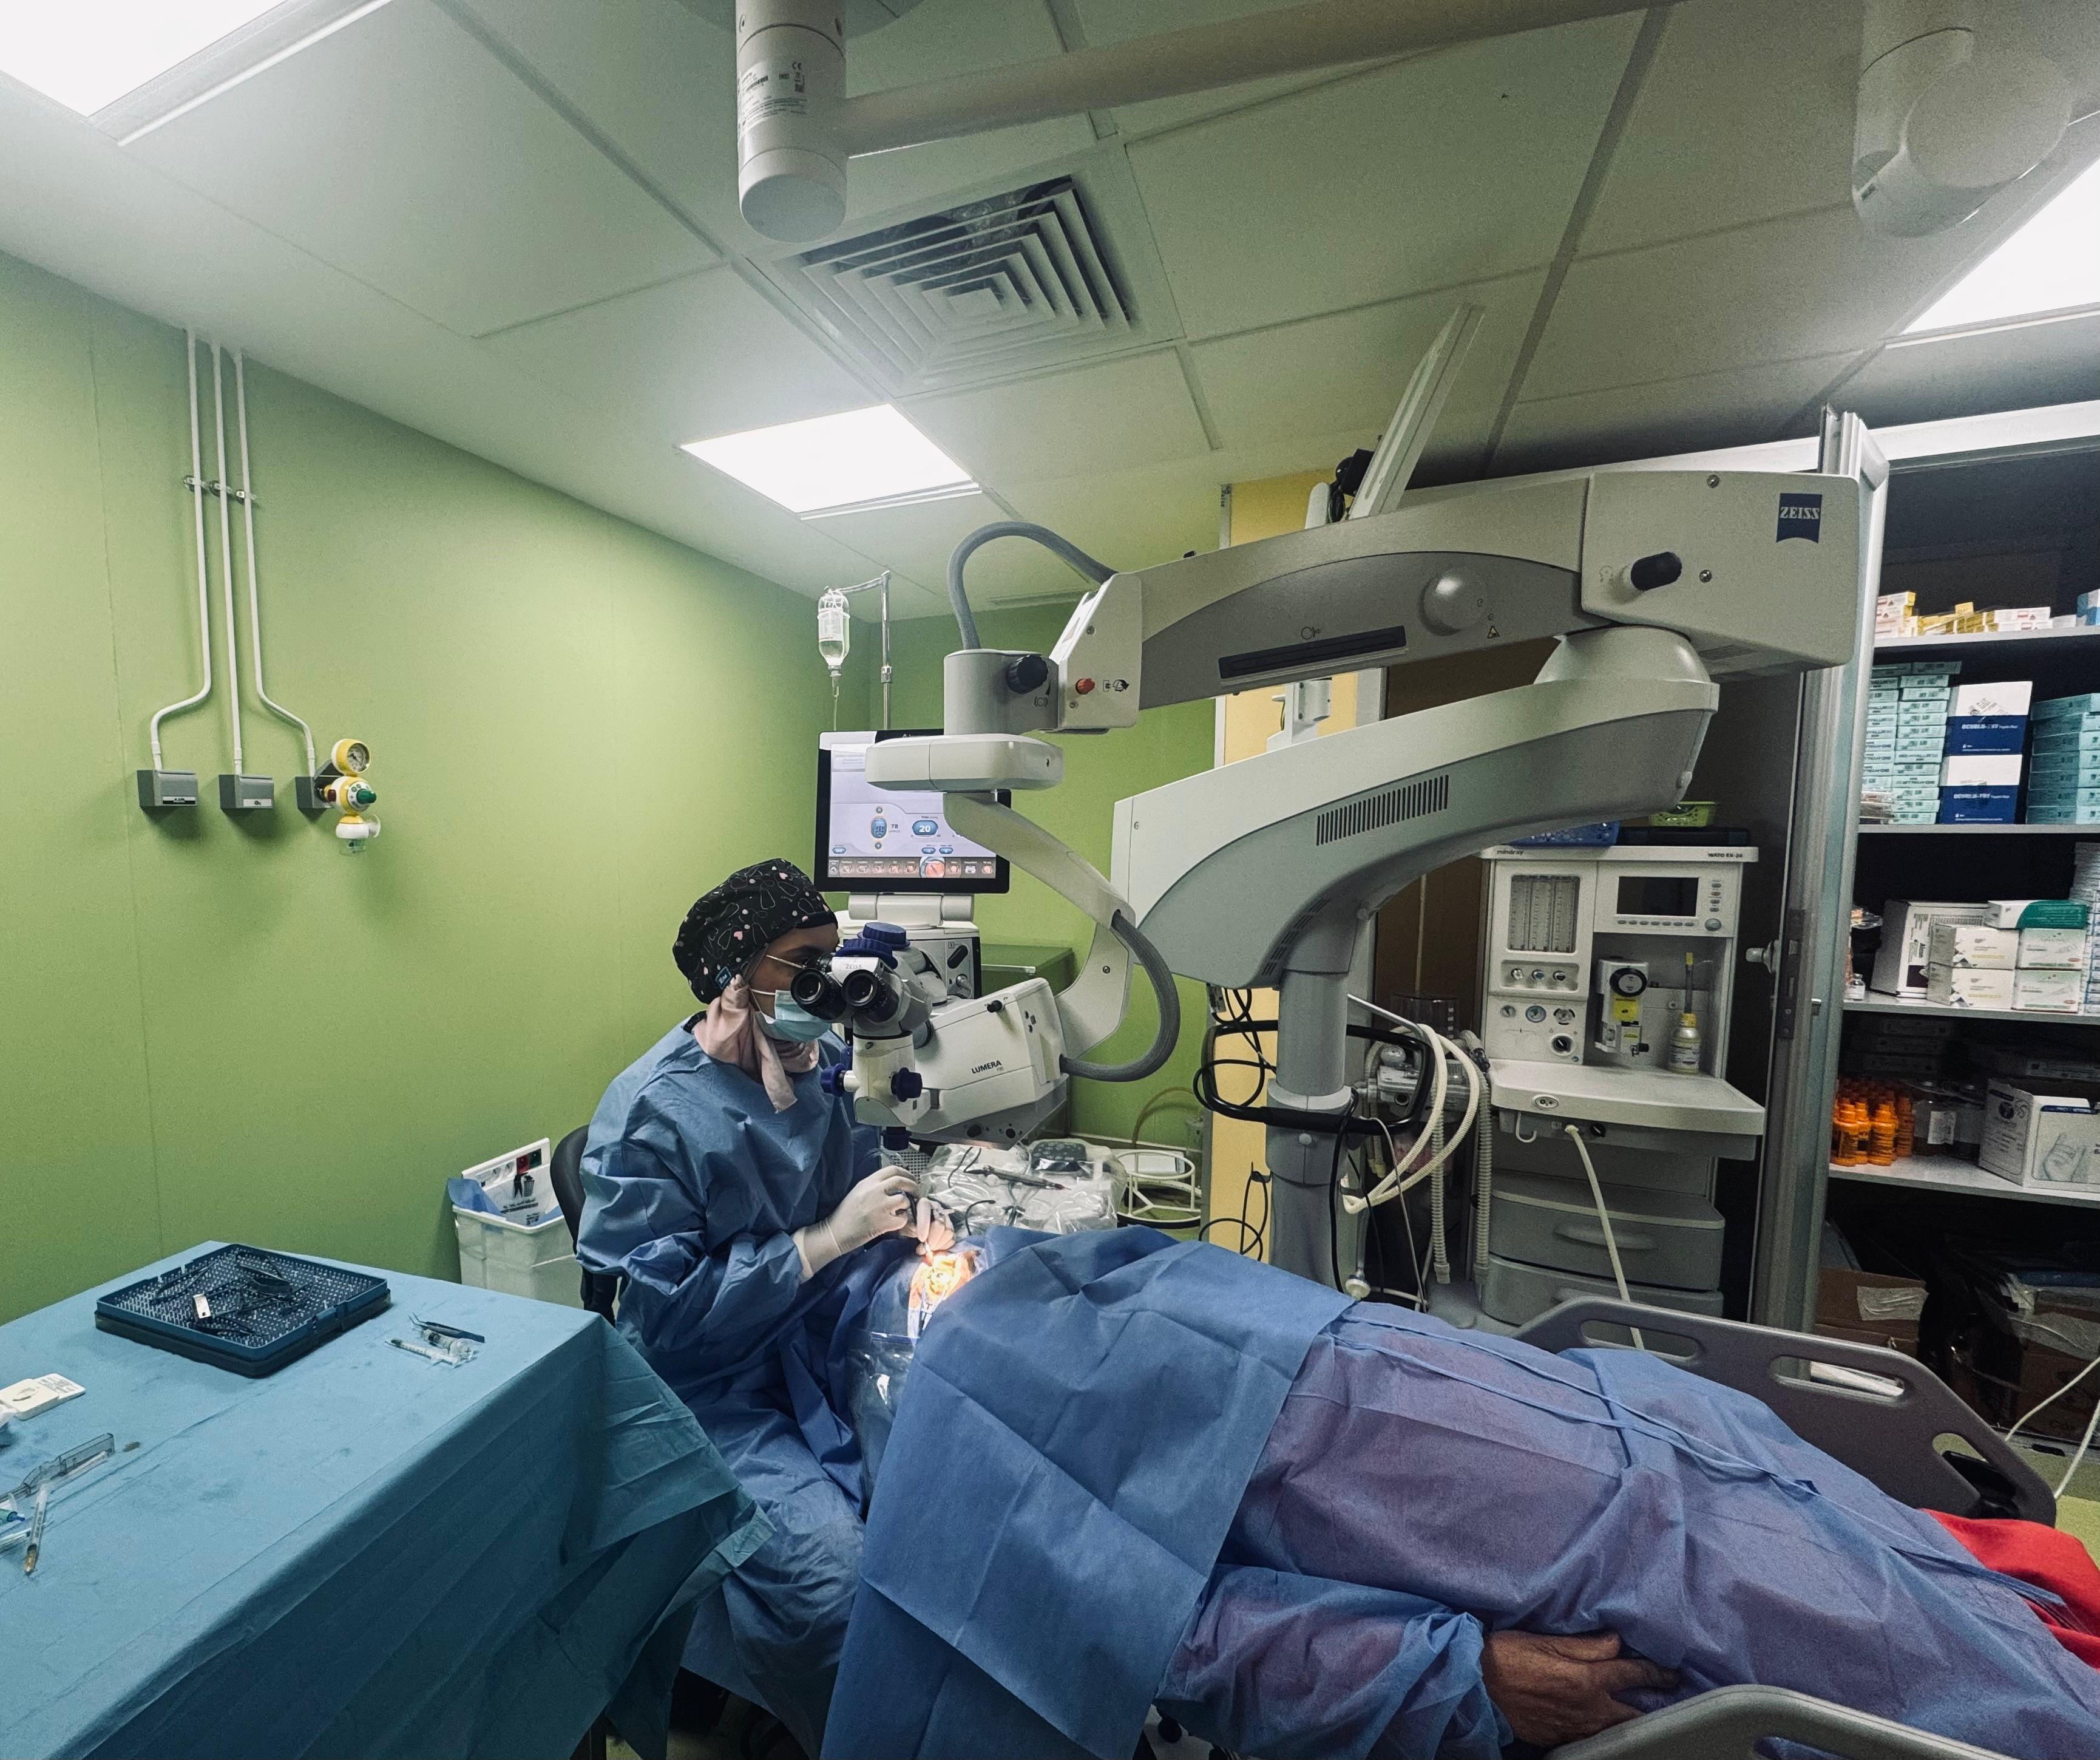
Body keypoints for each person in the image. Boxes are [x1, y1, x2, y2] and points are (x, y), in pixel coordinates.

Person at [825, 1228, 2100, 1760]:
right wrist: (1457, 1675)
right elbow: (1172, 1633)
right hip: (1560, 1548)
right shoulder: (936, 1412)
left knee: (1826, 1531)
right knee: (1829, 1625)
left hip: (1601, 1423)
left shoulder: (1024, 1262)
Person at [577, 858, 919, 1756]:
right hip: (707, 1391)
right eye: (805, 964)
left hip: (818, 1338)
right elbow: (665, 1309)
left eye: (832, 960)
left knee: (947, 1482)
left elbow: (865, 1174)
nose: (825, 985)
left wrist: (909, 1210)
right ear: (738, 971)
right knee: (834, 1589)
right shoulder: (654, 1110)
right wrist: (821, 1241)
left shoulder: (819, 1062)